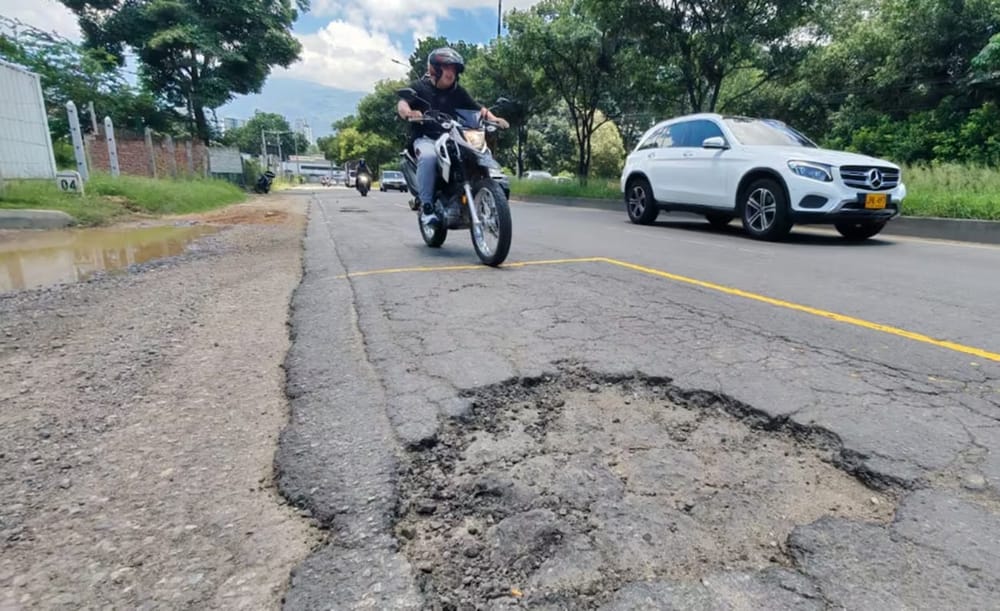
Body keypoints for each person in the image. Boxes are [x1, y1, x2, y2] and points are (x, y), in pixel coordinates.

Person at [396, 47, 508, 226]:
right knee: (429, 156)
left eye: (454, 69)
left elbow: (478, 109)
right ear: (435, 69)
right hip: (426, 138)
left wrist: (495, 119)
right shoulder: (419, 87)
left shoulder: (458, 92)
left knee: (473, 154)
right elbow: (402, 104)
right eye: (446, 67)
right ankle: (427, 208)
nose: (451, 72)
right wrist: (409, 113)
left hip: (453, 136)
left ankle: (473, 193)